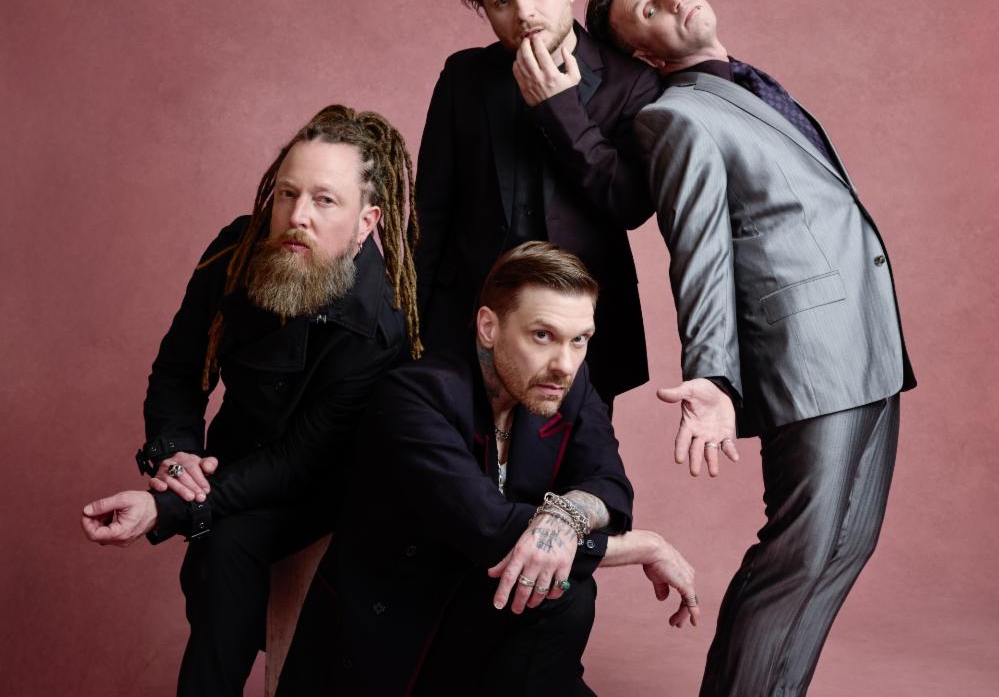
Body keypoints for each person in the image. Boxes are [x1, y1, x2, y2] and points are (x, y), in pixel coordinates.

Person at [587, 0, 917, 696]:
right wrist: (713, 376)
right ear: (645, 55)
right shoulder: (675, 117)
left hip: (867, 342)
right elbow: (699, 253)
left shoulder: (747, 86)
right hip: (808, 355)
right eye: (649, 9)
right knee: (801, 555)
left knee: (842, 551)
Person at [79, 105, 421, 697]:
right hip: (226, 466)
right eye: (288, 193)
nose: (297, 216)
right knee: (218, 565)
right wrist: (174, 456)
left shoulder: (380, 327)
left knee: (226, 551)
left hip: (326, 491)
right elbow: (179, 372)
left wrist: (169, 508)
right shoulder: (235, 253)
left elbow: (298, 463)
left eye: (324, 200)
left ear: (367, 223)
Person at [278, 242, 698, 696]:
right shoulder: (414, 398)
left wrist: (564, 516)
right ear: (488, 327)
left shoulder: (565, 386)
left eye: (579, 339)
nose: (565, 364)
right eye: (543, 335)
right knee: (563, 591)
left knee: (560, 591)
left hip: (490, 635)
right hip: (395, 643)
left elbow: (609, 483)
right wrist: (645, 547)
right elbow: (490, 528)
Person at [415, 0, 661, 408]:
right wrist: (410, 329)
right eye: (501, 1)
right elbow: (429, 215)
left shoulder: (632, 83)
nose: (524, 12)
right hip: (468, 330)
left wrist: (559, 108)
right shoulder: (464, 77)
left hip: (581, 337)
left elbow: (630, 203)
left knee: (575, 458)